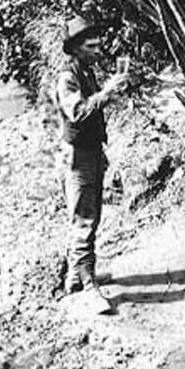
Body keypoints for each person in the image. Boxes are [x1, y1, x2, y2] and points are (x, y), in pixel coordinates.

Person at [54, 16, 132, 312]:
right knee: (84, 220)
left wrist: (112, 91)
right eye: (92, 46)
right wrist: (107, 92)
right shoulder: (68, 77)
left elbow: (93, 108)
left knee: (89, 215)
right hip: (77, 156)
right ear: (76, 48)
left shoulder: (85, 70)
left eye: (99, 44)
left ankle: (75, 277)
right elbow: (79, 112)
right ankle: (89, 287)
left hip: (90, 151)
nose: (99, 50)